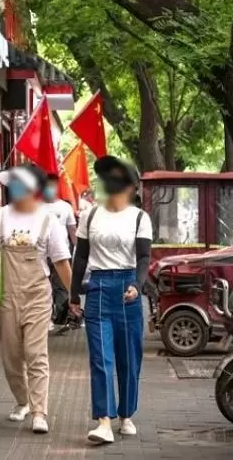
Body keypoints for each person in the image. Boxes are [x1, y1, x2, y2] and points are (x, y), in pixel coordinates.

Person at [0, 164, 72, 434]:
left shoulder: (48, 220)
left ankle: (39, 411)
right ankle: (22, 400)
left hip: (37, 294)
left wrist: (75, 296)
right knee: (11, 356)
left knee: (36, 353)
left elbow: (60, 262)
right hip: (5, 296)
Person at [68, 155, 152, 444]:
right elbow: (80, 257)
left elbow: (143, 258)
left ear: (130, 186)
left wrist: (137, 286)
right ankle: (103, 421)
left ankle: (126, 414)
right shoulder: (89, 215)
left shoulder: (140, 217)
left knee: (129, 357)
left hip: (128, 287)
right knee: (100, 358)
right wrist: (73, 294)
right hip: (99, 288)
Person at [42, 173, 77, 330]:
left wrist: (78, 250)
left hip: (62, 251)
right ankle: (46, 317)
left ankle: (61, 317)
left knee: (61, 285)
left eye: (52, 185)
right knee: (45, 285)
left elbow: (72, 230)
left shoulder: (65, 207)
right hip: (42, 253)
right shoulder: (37, 207)